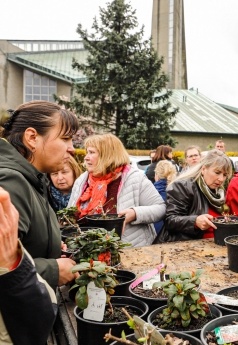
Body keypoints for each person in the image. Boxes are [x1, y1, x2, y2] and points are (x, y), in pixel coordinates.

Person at [0, 101, 78, 291]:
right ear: (32, 138)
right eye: (65, 138)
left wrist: (50, 242)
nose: (72, 148)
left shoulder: (33, 179)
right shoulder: (10, 182)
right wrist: (52, 270)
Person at [68, 133, 166, 247]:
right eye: (87, 152)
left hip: (130, 250)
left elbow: (160, 208)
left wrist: (134, 213)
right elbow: (70, 211)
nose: (86, 157)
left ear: (108, 155)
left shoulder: (134, 178)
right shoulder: (82, 180)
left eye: (92, 152)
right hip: (89, 251)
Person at [154, 149, 232, 243]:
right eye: (217, 172)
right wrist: (195, 221)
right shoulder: (184, 186)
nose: (221, 179)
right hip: (183, 247)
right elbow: (170, 220)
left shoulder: (219, 191)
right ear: (203, 169)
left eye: (225, 175)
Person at [153, 160, 177, 234]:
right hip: (174, 231)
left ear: (157, 175)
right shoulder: (178, 190)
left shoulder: (152, 191)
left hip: (157, 232)